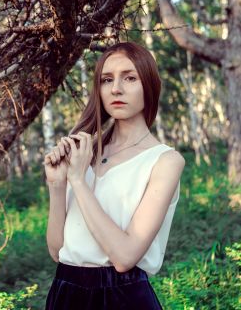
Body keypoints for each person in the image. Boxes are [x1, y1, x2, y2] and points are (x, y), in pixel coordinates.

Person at [43, 42, 185, 309]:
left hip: (122, 297)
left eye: (129, 77)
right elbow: (57, 251)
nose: (116, 89)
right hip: (65, 291)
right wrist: (58, 184)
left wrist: (78, 181)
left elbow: (124, 257)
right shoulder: (85, 151)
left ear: (149, 85)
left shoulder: (165, 161)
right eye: (107, 80)